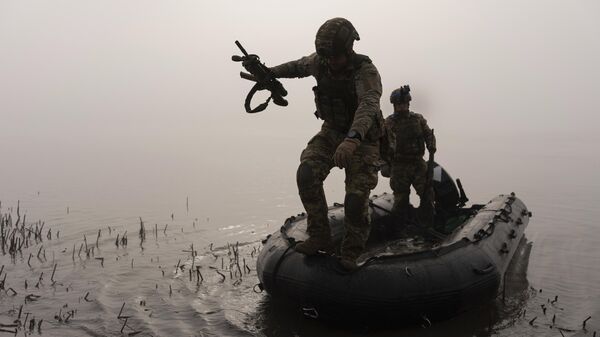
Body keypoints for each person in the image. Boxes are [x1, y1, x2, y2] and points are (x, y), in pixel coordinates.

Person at [269, 17, 384, 270]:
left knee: (355, 200)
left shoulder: (366, 71)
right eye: (328, 58)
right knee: (307, 172)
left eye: (336, 57)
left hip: (363, 140)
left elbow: (368, 106)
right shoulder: (321, 62)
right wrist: (270, 72)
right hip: (332, 131)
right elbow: (298, 67)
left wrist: (352, 140)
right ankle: (319, 234)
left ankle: (351, 252)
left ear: (349, 49)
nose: (332, 63)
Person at [383, 85, 436, 223]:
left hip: (418, 163)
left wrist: (431, 146)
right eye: (398, 104)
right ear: (394, 105)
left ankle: (428, 223)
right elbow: (381, 142)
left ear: (408, 104)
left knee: (426, 194)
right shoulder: (388, 123)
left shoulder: (417, 119)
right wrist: (384, 162)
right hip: (399, 166)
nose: (401, 107)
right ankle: (399, 228)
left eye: (404, 104)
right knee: (401, 198)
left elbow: (428, 134)